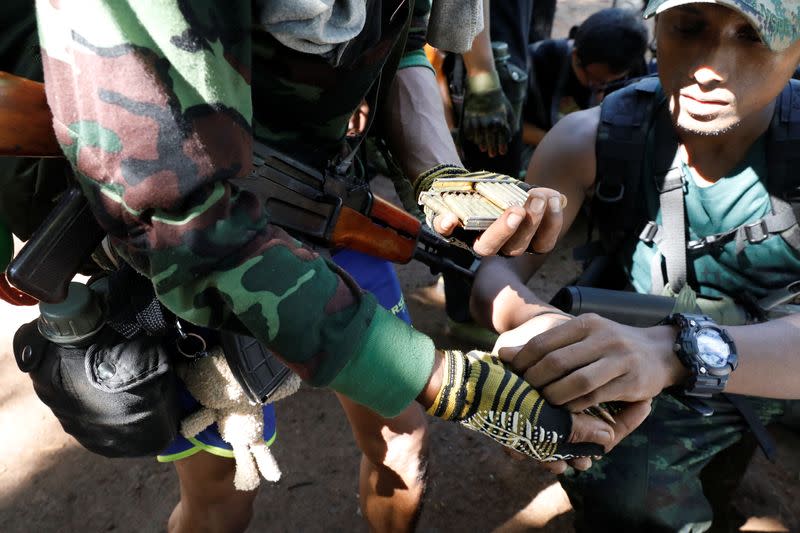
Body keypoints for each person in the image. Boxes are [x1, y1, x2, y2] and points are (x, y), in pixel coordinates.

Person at [29, 1, 642, 532]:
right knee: (221, 497)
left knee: (403, 438)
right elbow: (178, 209)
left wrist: (439, 172)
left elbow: (400, 39)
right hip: (184, 255)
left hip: (327, 199)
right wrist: (446, 381)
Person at [471, 0, 800, 530]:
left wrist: (676, 351)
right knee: (623, 494)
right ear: (657, 29)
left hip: (773, 359)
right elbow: (497, 270)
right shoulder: (592, 139)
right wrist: (540, 330)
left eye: (753, 37)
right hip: (644, 365)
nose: (710, 67)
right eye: (689, 27)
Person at [522, 7, 649, 148]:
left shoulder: (632, 65)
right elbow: (516, 126)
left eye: (610, 83)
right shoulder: (538, 61)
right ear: (576, 56)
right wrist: (560, 145)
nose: (599, 92)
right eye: (596, 80)